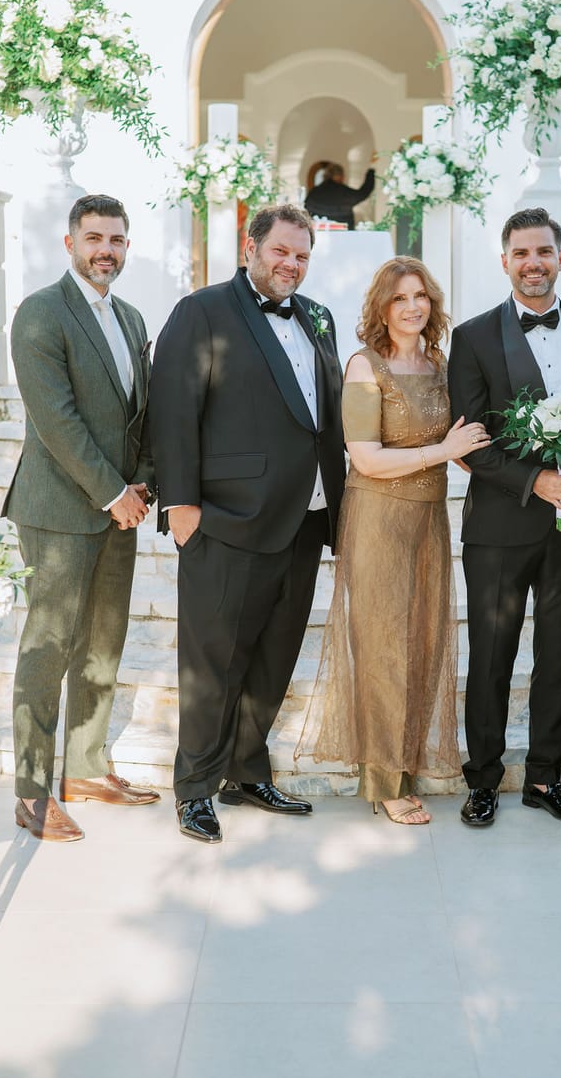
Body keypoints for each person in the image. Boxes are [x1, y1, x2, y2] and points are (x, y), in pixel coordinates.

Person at [149, 204, 346, 843]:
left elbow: (325, 419)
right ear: (250, 247)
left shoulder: (319, 318)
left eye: (302, 255)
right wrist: (180, 506)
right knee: (213, 662)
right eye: (281, 251)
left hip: (307, 518)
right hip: (226, 518)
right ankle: (195, 786)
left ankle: (245, 769)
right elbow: (173, 411)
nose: (291, 263)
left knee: (274, 655)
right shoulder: (201, 311)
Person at [296, 258, 489, 823]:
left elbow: (462, 441)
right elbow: (366, 457)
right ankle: (382, 780)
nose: (413, 307)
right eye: (400, 297)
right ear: (381, 306)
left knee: (424, 640)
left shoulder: (438, 362)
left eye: (421, 296)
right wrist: (444, 454)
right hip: (378, 516)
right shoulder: (364, 366)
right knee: (382, 644)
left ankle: (405, 765)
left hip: (429, 519)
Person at [448, 206, 561, 828]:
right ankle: (484, 779)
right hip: (499, 526)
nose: (533, 263)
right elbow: (470, 437)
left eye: (543, 252)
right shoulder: (474, 337)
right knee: (491, 654)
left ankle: (546, 775)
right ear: (505, 260)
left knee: (560, 652)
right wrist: (535, 480)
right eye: (521, 253)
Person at [4, 194, 160, 844]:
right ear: (70, 243)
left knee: (102, 645)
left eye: (117, 240)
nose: (106, 250)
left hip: (120, 507)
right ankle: (32, 792)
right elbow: (56, 420)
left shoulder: (128, 316)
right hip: (61, 510)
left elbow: (141, 410)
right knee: (49, 647)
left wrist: (145, 480)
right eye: (95, 237)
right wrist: (111, 491)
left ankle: (89, 769)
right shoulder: (41, 312)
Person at [304, 162, 375, 229]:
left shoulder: (314, 192)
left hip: (319, 235)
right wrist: (371, 170)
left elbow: (307, 209)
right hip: (343, 236)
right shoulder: (344, 192)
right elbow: (363, 193)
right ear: (340, 176)